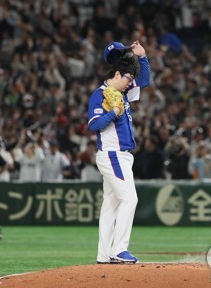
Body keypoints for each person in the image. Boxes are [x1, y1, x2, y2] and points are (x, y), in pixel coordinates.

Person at [87, 40, 150, 264]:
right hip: (112, 153)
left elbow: (144, 80)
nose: (130, 83)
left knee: (111, 205)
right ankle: (119, 249)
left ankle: (104, 254)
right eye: (127, 79)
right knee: (129, 198)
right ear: (116, 73)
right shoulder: (101, 94)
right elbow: (93, 125)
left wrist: (142, 57)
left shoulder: (121, 92)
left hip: (120, 155)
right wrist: (113, 112)